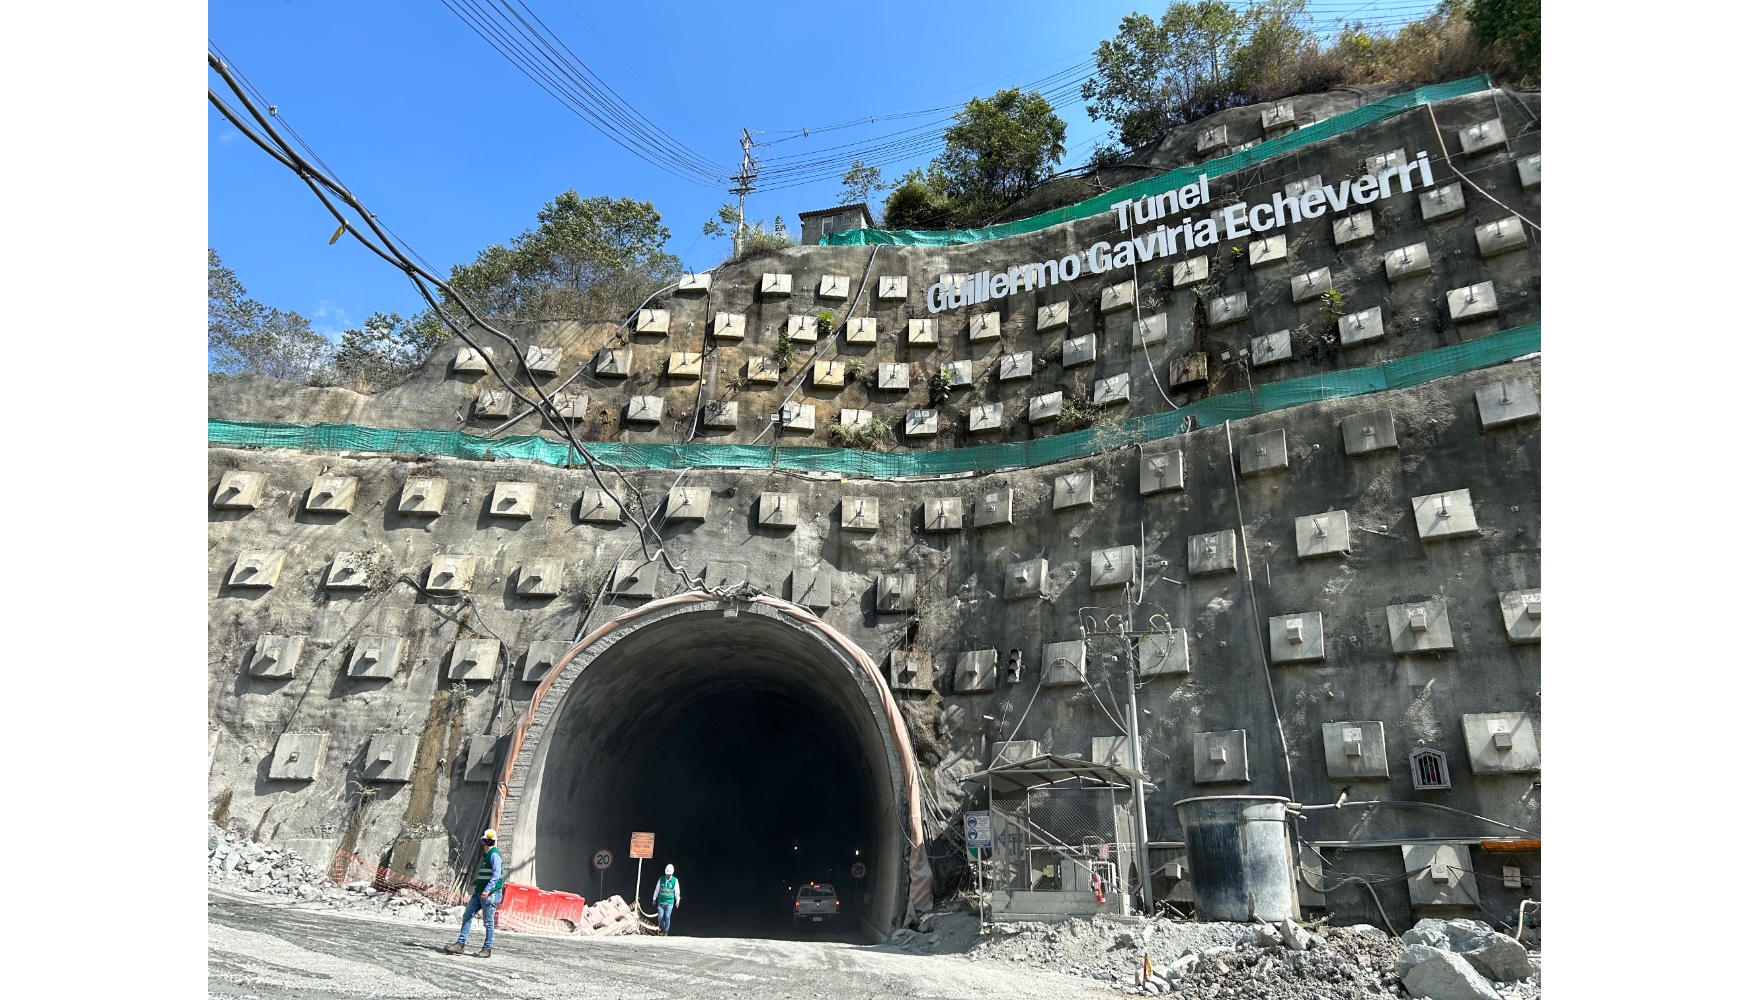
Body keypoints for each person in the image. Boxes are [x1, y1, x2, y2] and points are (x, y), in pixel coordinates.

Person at [445, 829, 504, 958]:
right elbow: (489, 874)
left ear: (484, 841)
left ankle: (487, 949)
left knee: (488, 922)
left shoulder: (494, 855)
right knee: (467, 915)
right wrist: (478, 881)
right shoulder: (487, 855)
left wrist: (487, 889)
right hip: (479, 893)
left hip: (490, 894)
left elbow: (496, 874)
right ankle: (460, 944)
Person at [652, 863, 680, 935]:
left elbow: (677, 891)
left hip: (669, 902)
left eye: (669, 874)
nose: (668, 875)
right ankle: (663, 928)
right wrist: (654, 898)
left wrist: (677, 901)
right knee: (660, 917)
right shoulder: (661, 879)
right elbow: (657, 889)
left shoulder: (675, 880)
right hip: (661, 902)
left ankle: (666, 931)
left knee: (667, 916)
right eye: (667, 874)